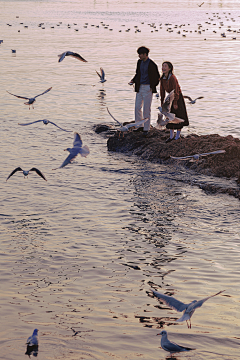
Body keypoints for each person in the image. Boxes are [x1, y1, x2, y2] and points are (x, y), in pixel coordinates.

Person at [129, 46, 160, 134]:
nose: (139, 56)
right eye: (138, 54)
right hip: (139, 87)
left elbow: (157, 77)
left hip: (148, 88)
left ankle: (146, 128)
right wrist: (133, 80)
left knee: (147, 108)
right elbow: (138, 73)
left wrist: (152, 86)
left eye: (140, 54)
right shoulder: (139, 62)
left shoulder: (152, 64)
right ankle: (139, 126)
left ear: (145, 54)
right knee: (137, 107)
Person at [160, 61, 189, 143]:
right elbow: (162, 91)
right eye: (163, 66)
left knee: (178, 117)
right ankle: (171, 136)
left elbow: (176, 90)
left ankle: (177, 136)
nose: (163, 68)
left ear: (169, 68)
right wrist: (162, 103)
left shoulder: (172, 77)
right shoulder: (162, 78)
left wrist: (175, 102)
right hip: (170, 98)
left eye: (165, 66)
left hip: (178, 98)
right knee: (170, 117)